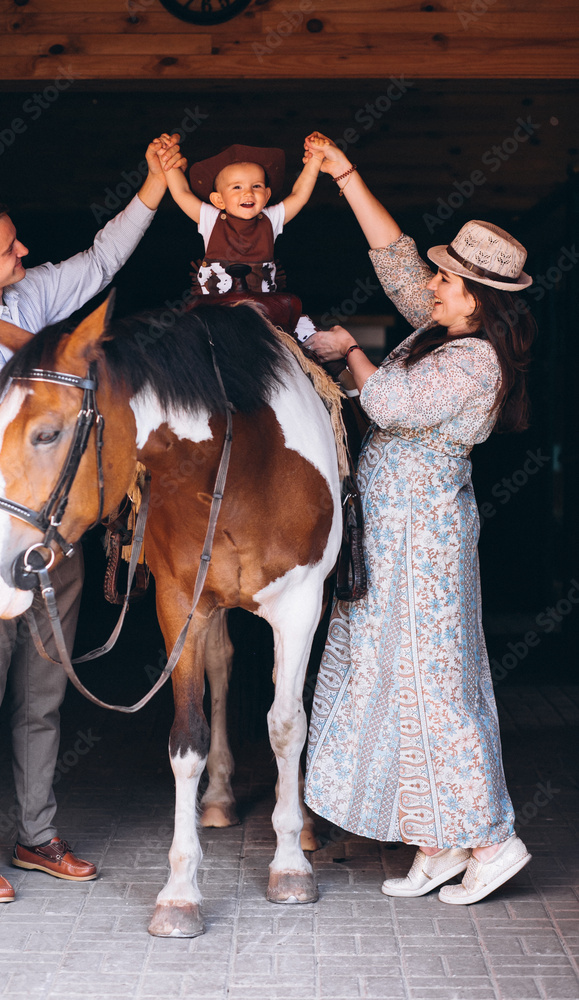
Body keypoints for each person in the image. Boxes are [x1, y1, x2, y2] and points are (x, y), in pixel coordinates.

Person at [0, 141, 170, 902]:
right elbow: (30, 414)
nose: (23, 250)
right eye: (7, 248)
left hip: (53, 527)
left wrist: (156, 188)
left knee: (42, 695)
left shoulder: (25, 301)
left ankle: (35, 836)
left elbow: (98, 263)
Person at [303, 132, 535, 904]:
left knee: (436, 686)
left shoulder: (473, 359)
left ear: (477, 295)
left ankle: (491, 841)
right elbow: (395, 259)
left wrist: (347, 354)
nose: (431, 285)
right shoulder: (439, 330)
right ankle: (435, 843)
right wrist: (345, 176)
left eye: (446, 280)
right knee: (398, 680)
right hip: (396, 533)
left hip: (424, 539)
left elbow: (391, 406)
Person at [156, 134, 323, 298]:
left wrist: (314, 161)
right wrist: (166, 157)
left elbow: (299, 195)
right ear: (218, 200)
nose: (248, 193)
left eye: (256, 186)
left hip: (260, 312)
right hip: (217, 312)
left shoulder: (271, 219)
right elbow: (181, 192)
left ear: (266, 195)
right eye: (237, 187)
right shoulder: (210, 219)